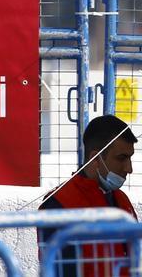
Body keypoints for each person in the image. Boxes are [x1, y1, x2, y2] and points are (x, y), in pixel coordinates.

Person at [38, 114, 138, 276]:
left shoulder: (121, 199)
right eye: (122, 158)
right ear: (95, 159)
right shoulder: (58, 203)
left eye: (130, 158)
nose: (129, 168)